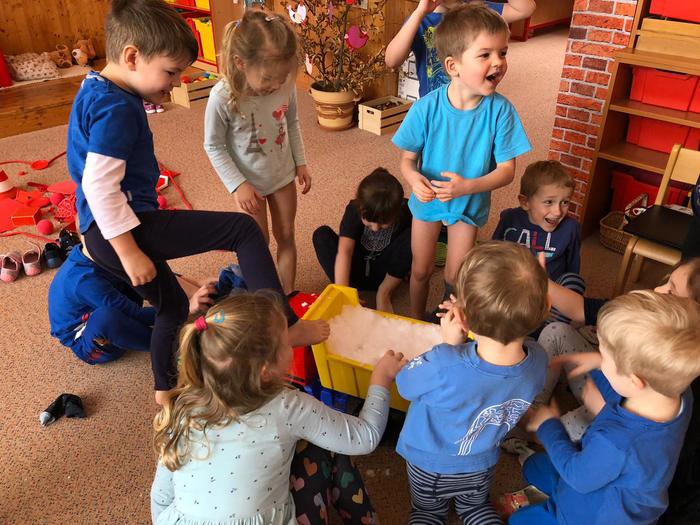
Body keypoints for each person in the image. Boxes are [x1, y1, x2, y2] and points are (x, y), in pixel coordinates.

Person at [66, 0, 327, 405]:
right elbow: (99, 187)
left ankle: (164, 390)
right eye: (171, 72)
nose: (175, 83)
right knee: (243, 230)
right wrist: (129, 251)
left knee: (172, 308)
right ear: (132, 57)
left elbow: (85, 174)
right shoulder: (116, 109)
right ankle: (284, 327)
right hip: (124, 229)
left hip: (103, 232)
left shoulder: (95, 88)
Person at [150, 293, 407, 524]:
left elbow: (161, 498)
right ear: (266, 371)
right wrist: (380, 380)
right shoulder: (287, 407)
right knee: (324, 445)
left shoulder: (182, 407)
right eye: (287, 339)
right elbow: (365, 437)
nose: (294, 341)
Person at [523, 258, 700, 524]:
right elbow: (627, 393)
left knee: (519, 519)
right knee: (535, 465)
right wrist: (598, 364)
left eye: (605, 357)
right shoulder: (679, 394)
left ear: (635, 378)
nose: (599, 359)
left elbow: (578, 477)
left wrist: (549, 425)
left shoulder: (616, 442)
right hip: (608, 482)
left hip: (589, 515)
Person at [391, 4, 531, 319]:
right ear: (453, 66)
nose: (498, 62)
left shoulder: (502, 111)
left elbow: (507, 172)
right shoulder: (425, 108)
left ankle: (446, 323)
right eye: (485, 55)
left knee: (456, 275)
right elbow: (407, 161)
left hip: (469, 203)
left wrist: (467, 187)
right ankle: (416, 319)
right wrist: (413, 180)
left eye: (503, 53)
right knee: (420, 268)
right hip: (427, 199)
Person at [395, 241, 549, 524]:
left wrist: (449, 345)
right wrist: (473, 316)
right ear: (546, 308)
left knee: (428, 513)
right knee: (475, 509)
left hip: (429, 467)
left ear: (463, 319)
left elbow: (404, 385)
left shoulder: (444, 362)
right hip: (481, 465)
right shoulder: (539, 360)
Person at [204, 9, 310, 294]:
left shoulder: (284, 85)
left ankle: (286, 295)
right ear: (240, 63)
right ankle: (264, 300)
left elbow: (292, 123)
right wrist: (238, 185)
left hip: (282, 174)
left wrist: (301, 162)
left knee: (286, 234)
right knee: (256, 244)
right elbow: (213, 145)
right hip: (247, 183)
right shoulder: (222, 97)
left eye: (282, 77)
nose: (276, 85)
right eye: (267, 78)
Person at [48, 243, 214, 364]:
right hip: (88, 341)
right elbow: (134, 313)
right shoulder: (84, 282)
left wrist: (195, 286)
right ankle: (167, 345)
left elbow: (154, 275)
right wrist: (185, 309)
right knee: (106, 318)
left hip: (105, 304)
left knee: (136, 269)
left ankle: (163, 320)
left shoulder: (94, 251)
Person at [492, 160, 583, 323]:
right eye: (549, 202)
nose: (558, 211)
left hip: (550, 292)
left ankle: (549, 323)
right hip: (514, 287)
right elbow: (492, 253)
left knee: (574, 281)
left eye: (565, 202)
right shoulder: (510, 218)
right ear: (525, 202)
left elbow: (573, 265)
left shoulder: (571, 228)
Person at [385, 0, 536, 97]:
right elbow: (392, 61)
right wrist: (419, 13)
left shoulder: (479, 12)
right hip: (436, 109)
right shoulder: (420, 20)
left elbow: (525, 9)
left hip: (477, 105)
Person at [312, 167, 412, 312]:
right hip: (354, 272)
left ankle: (384, 293)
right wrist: (345, 291)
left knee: (414, 236)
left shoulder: (407, 210)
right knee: (321, 235)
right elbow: (345, 251)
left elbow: (410, 248)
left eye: (384, 223)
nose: (375, 228)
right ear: (361, 208)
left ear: (397, 211)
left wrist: (410, 266)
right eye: (369, 222)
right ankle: (345, 289)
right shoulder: (353, 209)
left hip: (385, 275)